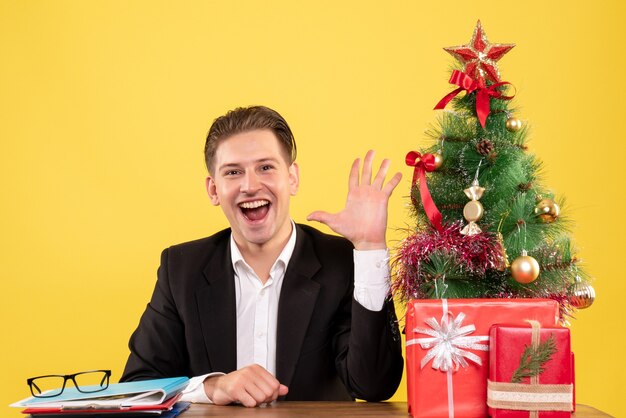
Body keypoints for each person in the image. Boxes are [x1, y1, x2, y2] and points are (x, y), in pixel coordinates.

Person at [121, 106, 403, 407]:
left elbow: (375, 385)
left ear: (292, 178)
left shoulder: (343, 261)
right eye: (233, 172)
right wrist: (213, 387)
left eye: (266, 167)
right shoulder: (181, 269)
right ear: (214, 189)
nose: (250, 185)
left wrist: (371, 247)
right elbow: (139, 388)